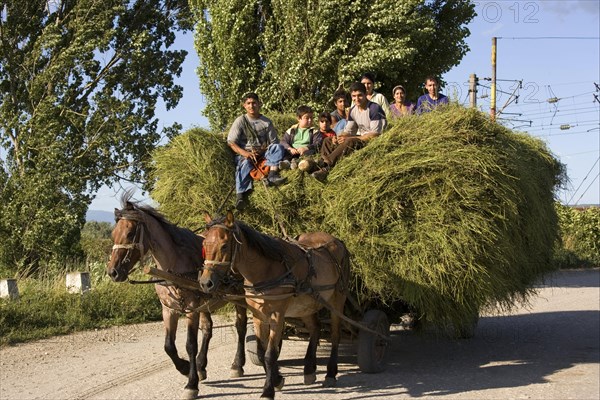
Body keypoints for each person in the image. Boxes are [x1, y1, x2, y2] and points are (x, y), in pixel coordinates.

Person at [313, 82, 387, 181]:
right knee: (327, 140)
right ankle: (321, 163)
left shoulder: (374, 108)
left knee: (349, 141)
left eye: (360, 95)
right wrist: (339, 137)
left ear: (365, 94)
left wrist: (350, 138)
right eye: (354, 96)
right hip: (360, 138)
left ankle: (327, 167)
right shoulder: (353, 110)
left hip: (372, 142)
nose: (357, 99)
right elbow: (349, 130)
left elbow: (376, 134)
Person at [227, 92, 286, 211]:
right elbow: (231, 142)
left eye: (254, 103)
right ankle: (241, 195)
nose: (251, 106)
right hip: (246, 153)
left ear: (259, 104)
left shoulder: (266, 122)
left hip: (262, 153)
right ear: (244, 105)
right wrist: (246, 154)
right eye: (248, 103)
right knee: (243, 165)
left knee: (279, 148)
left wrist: (263, 150)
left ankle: (272, 175)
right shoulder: (240, 121)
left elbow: (274, 143)